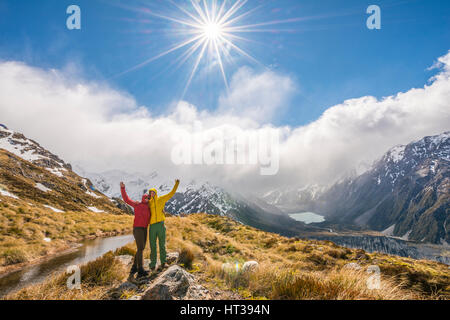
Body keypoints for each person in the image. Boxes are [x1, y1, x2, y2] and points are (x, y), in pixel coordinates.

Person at [148, 179, 180, 271]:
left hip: (161, 225)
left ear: (156, 193)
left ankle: (163, 262)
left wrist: (176, 184)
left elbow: (171, 193)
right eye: (150, 193)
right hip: (152, 226)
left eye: (153, 192)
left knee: (162, 244)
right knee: (153, 246)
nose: (152, 194)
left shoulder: (161, 199)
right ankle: (152, 264)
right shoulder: (148, 203)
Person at [120, 182, 150, 278]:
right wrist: (123, 188)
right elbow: (126, 199)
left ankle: (134, 267)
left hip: (145, 229)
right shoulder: (136, 205)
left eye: (148, 198)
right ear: (142, 198)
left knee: (141, 248)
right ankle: (140, 269)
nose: (147, 199)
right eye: (146, 197)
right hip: (137, 229)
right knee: (140, 248)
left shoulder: (150, 207)